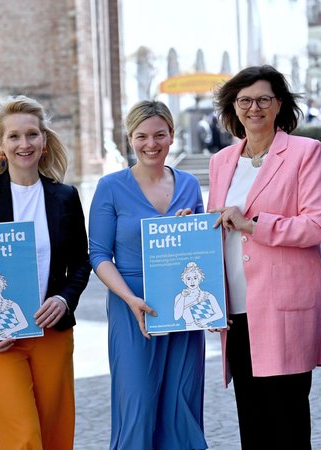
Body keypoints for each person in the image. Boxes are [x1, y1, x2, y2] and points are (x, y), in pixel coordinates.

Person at [208, 65, 321, 449]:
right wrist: (199, 225)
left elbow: (316, 226)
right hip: (236, 307)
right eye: (245, 100)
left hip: (284, 305)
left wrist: (252, 225)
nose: (254, 107)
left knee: (287, 419)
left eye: (264, 99)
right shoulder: (222, 161)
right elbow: (223, 223)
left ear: (279, 104)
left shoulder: (305, 152)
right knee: (251, 419)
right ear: (234, 106)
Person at [0, 95, 90, 450]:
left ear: (44, 142)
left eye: (32, 134)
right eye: (14, 136)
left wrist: (65, 298)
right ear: (0, 145)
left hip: (52, 331)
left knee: (54, 434)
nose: (24, 144)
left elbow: (81, 261)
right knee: (22, 438)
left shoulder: (64, 196)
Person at [89, 100, 207, 450]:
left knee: (181, 403)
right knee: (136, 404)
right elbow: (98, 254)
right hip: (132, 306)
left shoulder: (188, 184)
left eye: (159, 135)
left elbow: (201, 252)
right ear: (130, 139)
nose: (151, 144)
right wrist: (129, 299)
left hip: (181, 306)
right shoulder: (111, 186)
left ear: (172, 136)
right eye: (141, 136)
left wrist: (190, 231)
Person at [173, 262, 223, 330]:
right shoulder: (179, 297)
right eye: (188, 278)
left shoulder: (207, 296)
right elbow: (176, 317)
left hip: (205, 330)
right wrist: (183, 297)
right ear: (184, 280)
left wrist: (206, 320)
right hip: (187, 330)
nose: (192, 281)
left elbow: (220, 314)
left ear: (199, 279)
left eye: (195, 278)